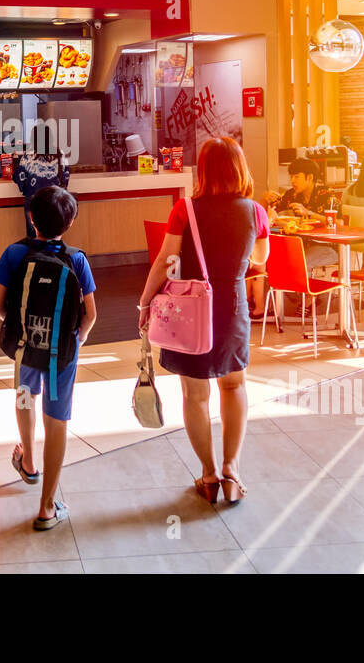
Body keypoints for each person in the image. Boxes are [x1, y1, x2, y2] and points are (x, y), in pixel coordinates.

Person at [138, 137, 269, 504]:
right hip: (232, 306)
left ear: (204, 170)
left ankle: (209, 475)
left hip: (191, 310)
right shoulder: (256, 212)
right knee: (234, 386)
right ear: (240, 167)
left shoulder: (186, 210)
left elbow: (166, 261)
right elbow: (260, 258)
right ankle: (232, 469)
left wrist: (146, 302)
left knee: (196, 395)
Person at [0, 186, 97, 530]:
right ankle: (47, 507)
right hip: (60, 356)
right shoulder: (76, 259)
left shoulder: (14, 253)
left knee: (24, 396)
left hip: (24, 347)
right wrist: (75, 340)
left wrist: (20, 326)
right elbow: (90, 313)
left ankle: (29, 464)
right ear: (72, 221)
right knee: (57, 420)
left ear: (31, 217)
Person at [263, 157, 337, 272]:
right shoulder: (291, 195)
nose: (292, 181)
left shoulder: (327, 195)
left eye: (296, 177)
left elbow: (339, 222)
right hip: (298, 245)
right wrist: (265, 200)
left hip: (326, 247)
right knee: (270, 258)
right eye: (291, 177)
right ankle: (280, 289)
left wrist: (309, 213)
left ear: (310, 177)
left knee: (299, 263)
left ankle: (301, 289)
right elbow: (270, 214)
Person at [12, 126, 70, 238]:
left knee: (34, 235)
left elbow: (20, 178)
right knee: (53, 235)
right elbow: (65, 178)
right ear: (51, 138)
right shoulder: (60, 154)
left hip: (34, 201)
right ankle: (51, 255)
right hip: (55, 201)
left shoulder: (29, 156)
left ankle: (36, 255)